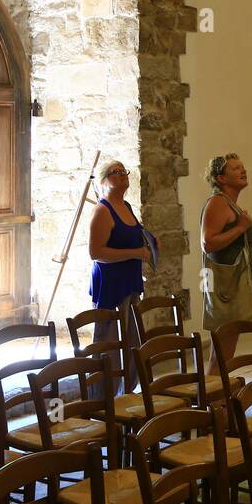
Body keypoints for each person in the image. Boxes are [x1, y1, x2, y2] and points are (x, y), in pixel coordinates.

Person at [88, 159, 156, 390]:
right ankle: (103, 399)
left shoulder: (125, 207)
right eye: (115, 172)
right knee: (109, 345)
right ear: (104, 181)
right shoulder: (102, 210)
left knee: (131, 342)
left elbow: (130, 237)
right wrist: (134, 252)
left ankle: (127, 393)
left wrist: (148, 245)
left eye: (123, 171)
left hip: (130, 282)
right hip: (112, 285)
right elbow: (96, 253)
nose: (122, 175)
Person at [200, 153, 252, 372]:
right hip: (225, 288)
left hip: (234, 287)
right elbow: (208, 243)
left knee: (225, 352)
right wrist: (240, 228)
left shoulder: (228, 203)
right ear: (221, 178)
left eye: (242, 167)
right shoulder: (217, 203)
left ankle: (219, 400)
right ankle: (214, 402)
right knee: (221, 354)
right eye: (235, 168)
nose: (243, 171)